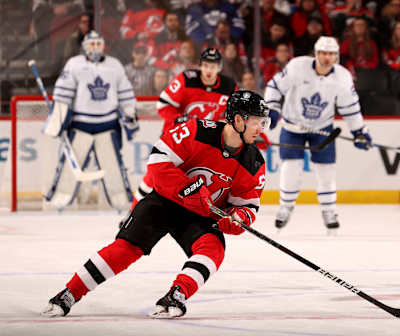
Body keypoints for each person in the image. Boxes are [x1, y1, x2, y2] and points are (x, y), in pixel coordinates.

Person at [41, 90, 269, 319]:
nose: (261, 129)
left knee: (213, 248)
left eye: (263, 122)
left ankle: (176, 294)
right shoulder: (197, 130)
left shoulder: (254, 162)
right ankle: (69, 293)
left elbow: (247, 206)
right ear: (239, 120)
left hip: (200, 214)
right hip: (165, 201)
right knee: (125, 248)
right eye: (257, 122)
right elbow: (158, 160)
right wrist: (187, 188)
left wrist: (238, 219)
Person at [264, 36, 373, 231]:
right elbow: (274, 86)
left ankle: (329, 211)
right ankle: (285, 208)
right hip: (293, 126)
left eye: (331, 54)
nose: (327, 57)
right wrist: (272, 107)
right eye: (323, 53)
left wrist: (359, 131)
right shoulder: (298, 67)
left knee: (326, 171)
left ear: (337, 56)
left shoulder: (343, 77)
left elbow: (350, 108)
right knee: (291, 169)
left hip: (322, 129)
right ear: (316, 53)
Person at [131, 48, 238, 211]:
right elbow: (162, 104)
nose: (209, 70)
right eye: (206, 65)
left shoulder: (229, 87)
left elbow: (235, 116)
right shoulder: (186, 79)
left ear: (220, 67)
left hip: (202, 143)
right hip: (176, 138)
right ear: (200, 65)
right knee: (153, 177)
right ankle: (132, 211)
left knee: (202, 178)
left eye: (213, 66)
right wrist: (178, 119)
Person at [43, 31, 138, 211]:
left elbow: (125, 93)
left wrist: (130, 113)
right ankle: (60, 200)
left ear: (103, 46)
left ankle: (121, 202)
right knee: (70, 167)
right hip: (80, 125)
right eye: (92, 44)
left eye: (98, 44)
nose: (95, 48)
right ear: (86, 47)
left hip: (108, 125)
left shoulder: (114, 65)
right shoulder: (74, 64)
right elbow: (63, 95)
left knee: (113, 167)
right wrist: (57, 119)